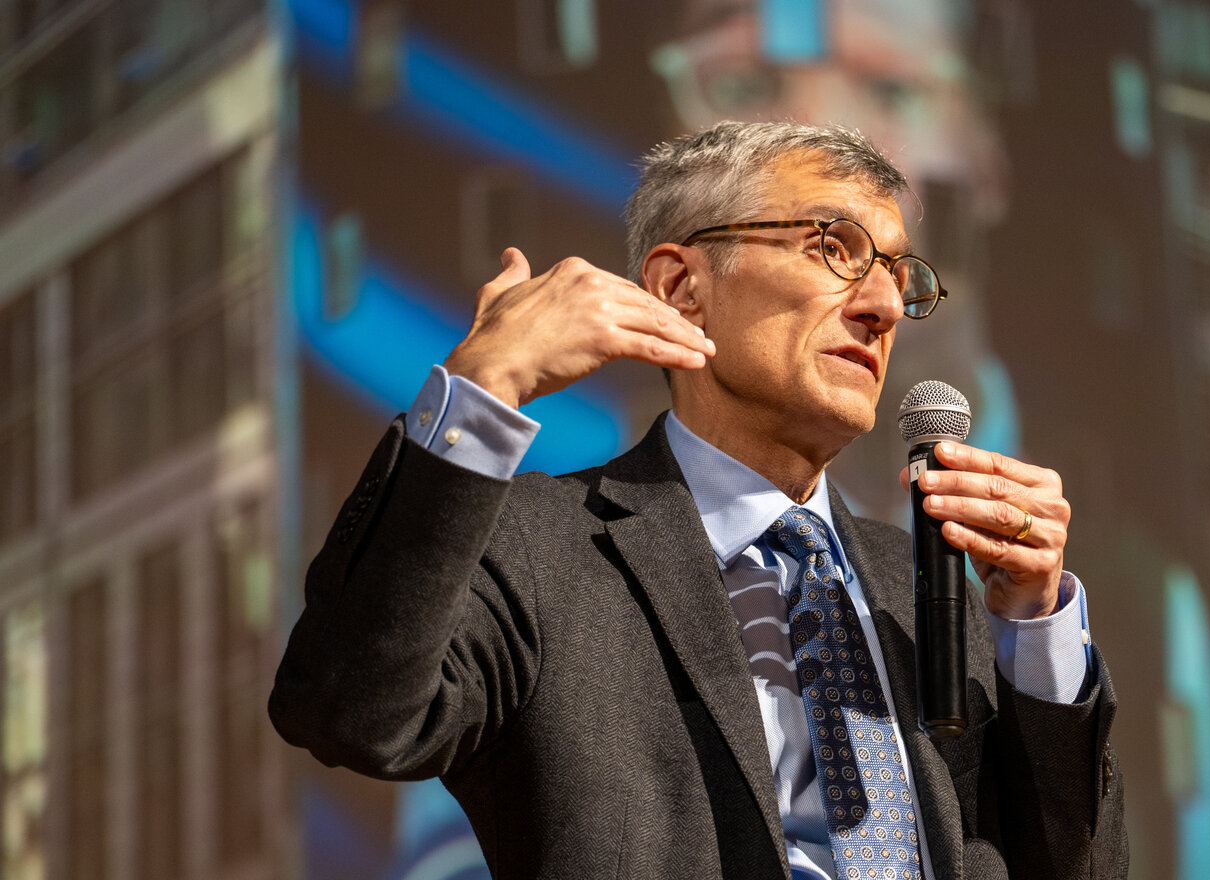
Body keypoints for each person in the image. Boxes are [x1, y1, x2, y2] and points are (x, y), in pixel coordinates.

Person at [269, 121, 1126, 880]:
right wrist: (480, 386)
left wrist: (1035, 624)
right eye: (834, 247)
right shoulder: (540, 548)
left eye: (901, 275)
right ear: (681, 287)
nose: (880, 306)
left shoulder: (925, 586)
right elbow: (350, 710)